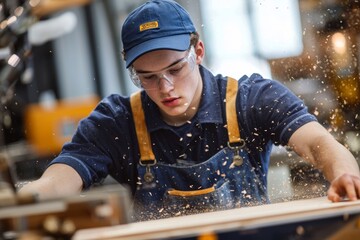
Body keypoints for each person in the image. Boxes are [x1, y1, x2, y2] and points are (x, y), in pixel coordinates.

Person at [20, 0, 360, 221]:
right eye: (148, 78)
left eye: (175, 69)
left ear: (198, 51)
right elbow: (61, 177)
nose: (165, 87)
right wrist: (26, 199)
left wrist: (345, 174)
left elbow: (319, 144)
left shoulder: (251, 99)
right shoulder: (117, 121)